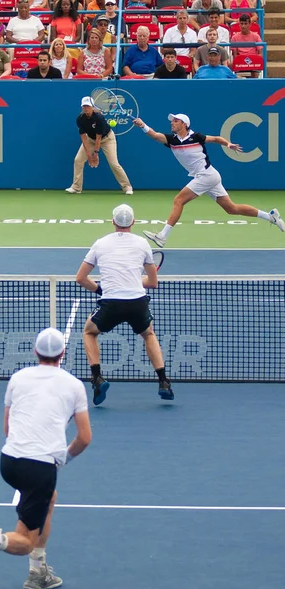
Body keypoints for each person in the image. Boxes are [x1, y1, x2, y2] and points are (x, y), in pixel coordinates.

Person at [0, 327, 92, 589]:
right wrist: (63, 459)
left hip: (9, 462)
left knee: (50, 497)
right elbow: (84, 438)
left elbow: (8, 429)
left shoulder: (18, 378)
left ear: (36, 352)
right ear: (63, 354)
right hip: (39, 468)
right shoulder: (74, 386)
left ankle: (39, 572)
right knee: (26, 541)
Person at [132, 113, 284, 248]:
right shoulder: (172, 140)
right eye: (172, 121)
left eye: (176, 121)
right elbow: (155, 135)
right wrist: (143, 125)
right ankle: (271, 216)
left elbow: (216, 138)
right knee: (232, 209)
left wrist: (228, 144)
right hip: (208, 176)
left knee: (179, 200)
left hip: (206, 175)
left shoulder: (196, 137)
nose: (172, 122)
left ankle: (163, 236)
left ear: (184, 124)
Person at [75, 204, 174, 405]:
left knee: (89, 332)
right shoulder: (143, 243)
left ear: (113, 222)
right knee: (148, 334)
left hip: (111, 303)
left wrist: (101, 290)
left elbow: (81, 278)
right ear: (133, 222)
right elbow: (152, 283)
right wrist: (132, 282)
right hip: (137, 302)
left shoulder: (100, 243)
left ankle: (97, 378)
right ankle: (163, 381)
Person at [65, 96, 133, 195]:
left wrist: (95, 154)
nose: (86, 108)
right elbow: (84, 138)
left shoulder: (99, 118)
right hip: (90, 139)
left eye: (88, 106)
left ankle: (127, 186)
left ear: (92, 106)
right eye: (84, 106)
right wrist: (89, 155)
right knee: (78, 160)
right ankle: (76, 187)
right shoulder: (80, 119)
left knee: (114, 163)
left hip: (107, 139)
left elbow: (99, 138)